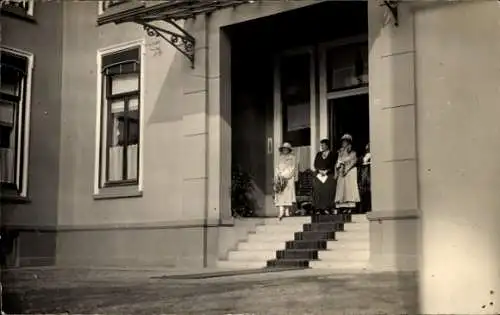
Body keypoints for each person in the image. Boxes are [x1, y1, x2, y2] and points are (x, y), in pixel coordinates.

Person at [334, 134, 360, 214]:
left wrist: (347, 170)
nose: (343, 144)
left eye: (345, 142)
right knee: (341, 188)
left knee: (349, 188)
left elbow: (353, 162)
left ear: (348, 143)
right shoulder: (340, 152)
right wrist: (337, 169)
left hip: (350, 171)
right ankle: (342, 206)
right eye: (343, 142)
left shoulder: (353, 152)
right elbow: (338, 161)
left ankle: (350, 207)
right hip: (342, 171)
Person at [312, 139, 336, 215]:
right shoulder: (318, 154)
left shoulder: (333, 154)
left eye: (323, 145)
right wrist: (319, 171)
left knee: (328, 188)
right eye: (321, 145)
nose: (322, 146)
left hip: (329, 174)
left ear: (327, 145)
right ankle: (318, 208)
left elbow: (334, 164)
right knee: (318, 188)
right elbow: (315, 164)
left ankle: (327, 208)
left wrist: (326, 171)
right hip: (319, 174)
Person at [274, 142, 297, 221]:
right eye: (283, 149)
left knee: (287, 194)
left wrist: (284, 175)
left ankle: (287, 211)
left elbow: (292, 168)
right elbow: (277, 167)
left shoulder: (292, 158)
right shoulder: (279, 158)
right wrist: (278, 175)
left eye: (286, 149)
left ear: (289, 150)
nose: (285, 150)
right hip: (280, 178)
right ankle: (281, 211)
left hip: (288, 178)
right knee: (280, 193)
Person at [359, 143, 372, 213]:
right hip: (364, 176)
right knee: (363, 193)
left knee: (370, 192)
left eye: (369, 147)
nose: (367, 149)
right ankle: (363, 208)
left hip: (370, 175)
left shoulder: (373, 155)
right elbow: (360, 162)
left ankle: (369, 207)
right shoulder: (363, 156)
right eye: (367, 148)